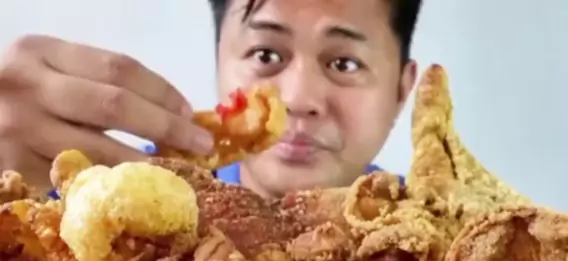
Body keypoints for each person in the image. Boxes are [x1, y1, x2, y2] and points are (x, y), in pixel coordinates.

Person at [0, 0, 423, 198]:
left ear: (402, 90)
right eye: (265, 55)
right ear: (218, 59)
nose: (297, 98)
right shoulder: (102, 193)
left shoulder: (437, 238)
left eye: (345, 63)